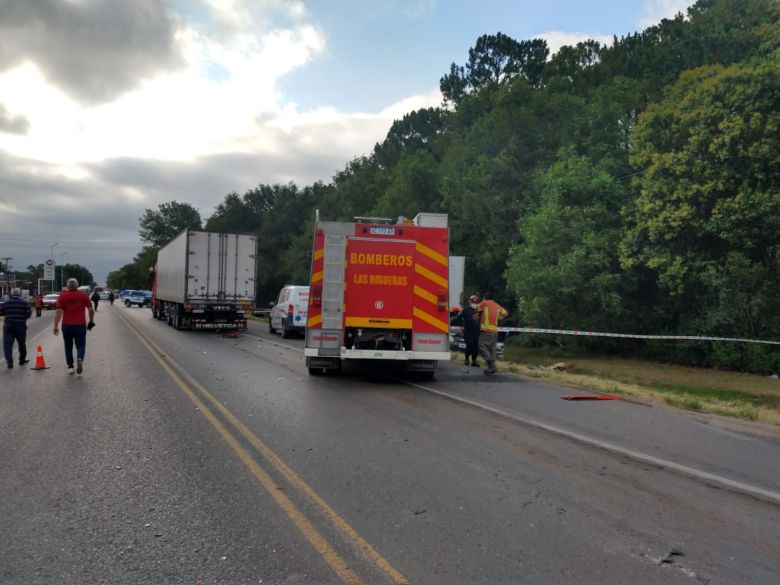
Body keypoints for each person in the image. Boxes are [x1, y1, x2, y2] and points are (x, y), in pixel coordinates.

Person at [53, 278, 95, 375]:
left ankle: (70, 367)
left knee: (68, 346)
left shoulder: (62, 296)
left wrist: (55, 326)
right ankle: (80, 358)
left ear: (67, 286)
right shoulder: (83, 295)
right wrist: (91, 321)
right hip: (80, 325)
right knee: (81, 345)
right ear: (77, 285)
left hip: (67, 326)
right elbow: (90, 309)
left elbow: (59, 311)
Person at [475, 292, 508, 375]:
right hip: (494, 332)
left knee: (481, 346)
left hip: (486, 331)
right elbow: (505, 313)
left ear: (484, 298)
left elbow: (476, 308)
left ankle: (489, 359)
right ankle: (492, 367)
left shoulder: (485, 303)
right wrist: (499, 317)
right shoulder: (497, 305)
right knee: (492, 349)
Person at [0, 288, 32, 368]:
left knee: (7, 345)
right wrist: (22, 318)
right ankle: (22, 360)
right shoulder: (25, 303)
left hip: (8, 326)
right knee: (21, 344)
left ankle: (9, 361)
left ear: (11, 294)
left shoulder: (6, 303)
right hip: (20, 325)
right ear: (19, 294)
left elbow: (1, 312)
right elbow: (28, 313)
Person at [453, 294, 481, 367]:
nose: (474, 304)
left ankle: (474, 361)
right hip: (467, 331)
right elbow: (458, 318)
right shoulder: (465, 310)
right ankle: (467, 359)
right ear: (470, 302)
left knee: (475, 346)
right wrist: (461, 325)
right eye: (473, 302)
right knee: (470, 345)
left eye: (476, 302)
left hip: (476, 331)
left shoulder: (480, 311)